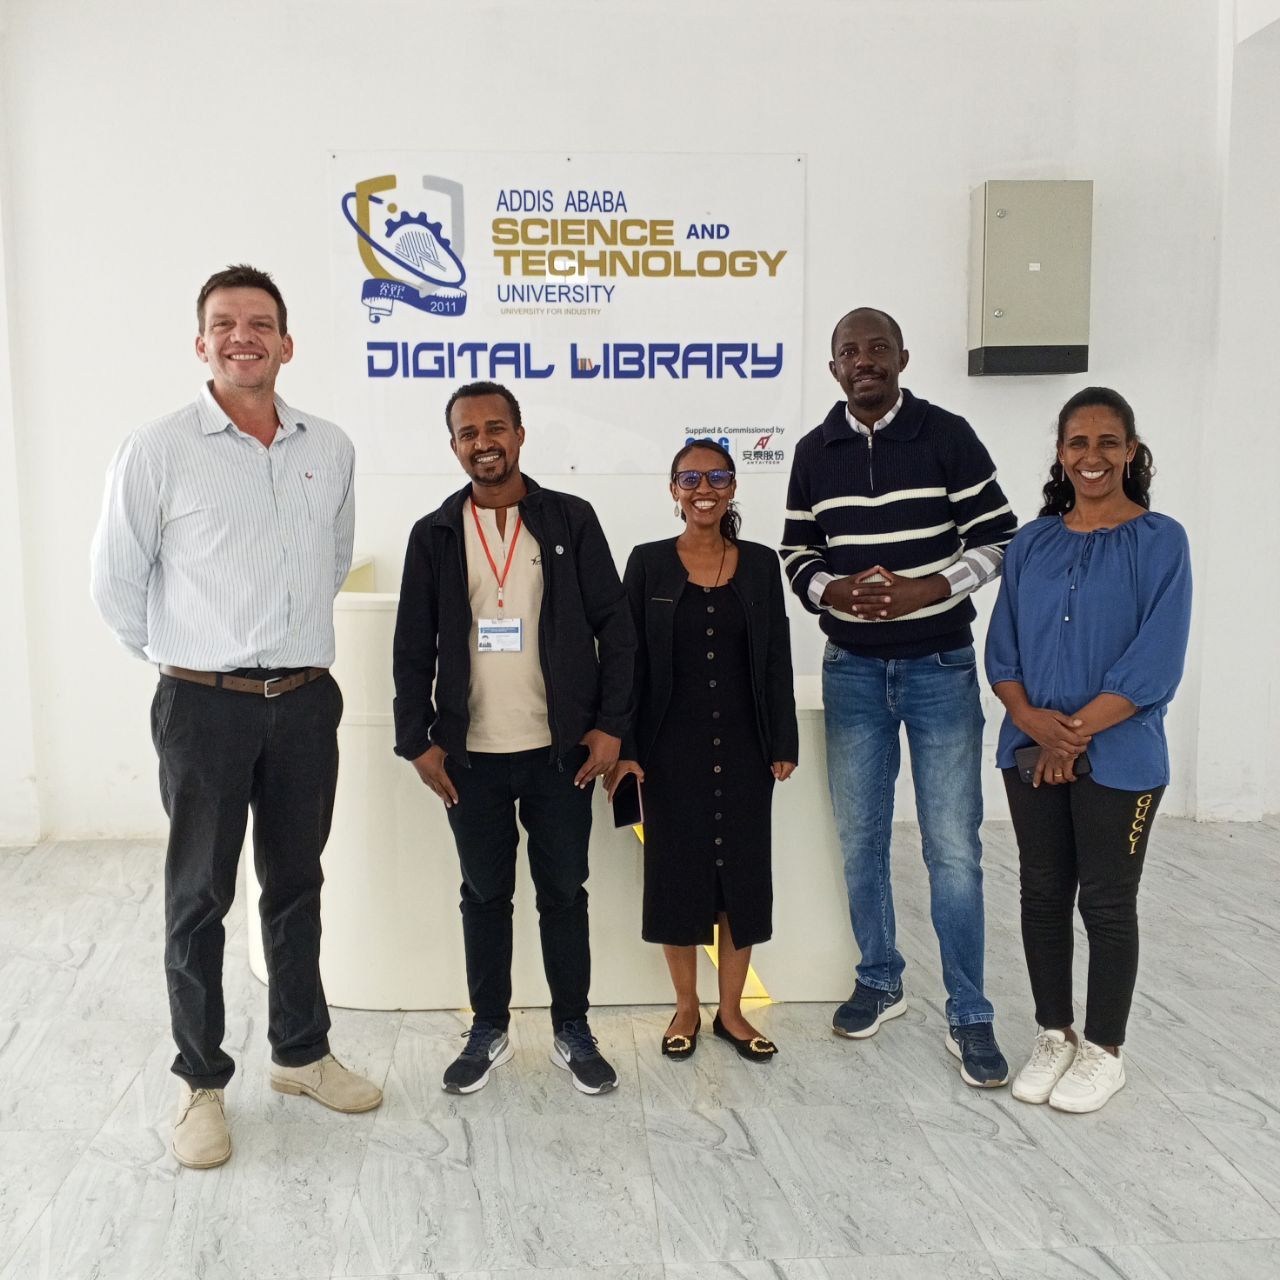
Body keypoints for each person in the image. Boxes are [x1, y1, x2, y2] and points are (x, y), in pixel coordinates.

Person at [90, 265, 382, 1171]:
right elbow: (115, 586)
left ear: (287, 344)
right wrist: (191, 662)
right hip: (203, 707)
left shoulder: (327, 447)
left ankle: (300, 1054)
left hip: (302, 703)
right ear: (202, 342)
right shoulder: (157, 448)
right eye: (225, 323)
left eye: (260, 323)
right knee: (199, 899)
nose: (242, 336)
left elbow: (330, 561)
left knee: (295, 886)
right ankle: (201, 1083)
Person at [779, 306, 1018, 1087]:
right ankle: (881, 977)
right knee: (859, 840)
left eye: (878, 348)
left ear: (903, 357)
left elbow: (1002, 538)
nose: (865, 361)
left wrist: (928, 588)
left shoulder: (947, 435)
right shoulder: (815, 452)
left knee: (952, 848)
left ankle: (970, 1010)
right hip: (851, 669)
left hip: (940, 667)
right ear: (834, 368)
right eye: (849, 351)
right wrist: (832, 588)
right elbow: (795, 551)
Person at [393, 381, 636, 1096]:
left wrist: (610, 727)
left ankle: (572, 1028)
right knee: (483, 894)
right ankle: (489, 1027)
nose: (483, 442)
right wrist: (418, 741)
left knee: (565, 892)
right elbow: (412, 647)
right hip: (470, 759)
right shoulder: (434, 532)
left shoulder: (569, 519)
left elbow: (615, 629)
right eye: (468, 433)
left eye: (495, 428)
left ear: (521, 435)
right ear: (454, 446)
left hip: (559, 752)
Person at [985, 387, 1191, 1114]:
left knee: (1106, 901)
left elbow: (1156, 662)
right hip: (1027, 746)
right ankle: (1054, 1032)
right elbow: (1003, 649)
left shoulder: (1162, 540)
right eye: (1078, 442)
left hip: (1123, 754)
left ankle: (1104, 1049)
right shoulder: (1033, 542)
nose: (1093, 456)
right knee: (1042, 894)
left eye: (1109, 442)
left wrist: (1071, 734)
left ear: (1131, 452)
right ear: (1061, 454)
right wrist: (1034, 724)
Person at [609, 440, 798, 1062]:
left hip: (746, 750)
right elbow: (627, 662)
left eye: (716, 476)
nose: (704, 488)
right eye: (690, 478)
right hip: (669, 753)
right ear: (673, 491)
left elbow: (775, 659)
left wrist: (783, 740)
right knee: (677, 878)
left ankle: (733, 1013)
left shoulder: (762, 565)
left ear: (733, 485)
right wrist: (627, 748)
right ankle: (687, 1009)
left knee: (740, 878)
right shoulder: (647, 564)